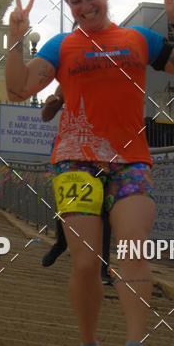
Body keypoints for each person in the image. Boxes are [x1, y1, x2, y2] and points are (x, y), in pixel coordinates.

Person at [5, 0, 174, 346]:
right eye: (75, 1)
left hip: (131, 161)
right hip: (75, 162)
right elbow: (19, 88)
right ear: (69, 6)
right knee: (85, 262)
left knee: (132, 250)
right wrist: (14, 41)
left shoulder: (138, 39)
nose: (85, 6)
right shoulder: (60, 47)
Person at [40, 86, 113, 286]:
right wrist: (50, 104)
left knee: (103, 212)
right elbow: (46, 116)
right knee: (68, 205)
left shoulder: (115, 82)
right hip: (70, 154)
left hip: (101, 154)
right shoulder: (68, 82)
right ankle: (61, 243)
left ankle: (102, 269)